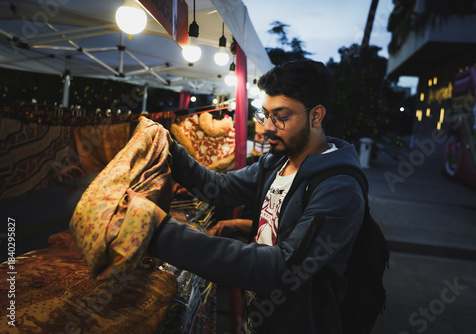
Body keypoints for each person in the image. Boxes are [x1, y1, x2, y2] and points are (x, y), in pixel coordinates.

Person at [147, 59, 366, 333]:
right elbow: (219, 189)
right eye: (264, 115)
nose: (267, 127)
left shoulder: (338, 188)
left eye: (281, 116)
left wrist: (162, 234)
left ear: (316, 116)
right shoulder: (276, 162)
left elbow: (280, 269)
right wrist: (168, 148)